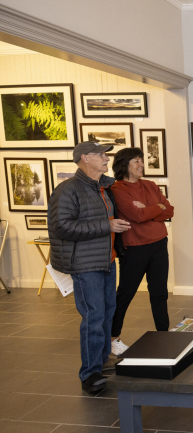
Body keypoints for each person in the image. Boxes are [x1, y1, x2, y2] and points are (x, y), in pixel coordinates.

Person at [48, 141, 131, 393]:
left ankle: (102, 361)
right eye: (101, 154)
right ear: (85, 158)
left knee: (107, 312)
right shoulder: (68, 190)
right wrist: (107, 225)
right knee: (94, 316)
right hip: (84, 264)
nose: (107, 158)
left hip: (106, 260)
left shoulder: (103, 188)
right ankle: (90, 374)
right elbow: (62, 227)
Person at [109, 148, 174, 356]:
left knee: (159, 293)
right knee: (125, 294)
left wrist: (149, 208)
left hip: (159, 245)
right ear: (124, 164)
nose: (141, 165)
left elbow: (170, 210)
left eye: (141, 161)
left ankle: (163, 334)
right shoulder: (118, 189)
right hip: (135, 248)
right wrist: (157, 208)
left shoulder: (150, 185)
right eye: (136, 161)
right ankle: (112, 338)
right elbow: (136, 215)